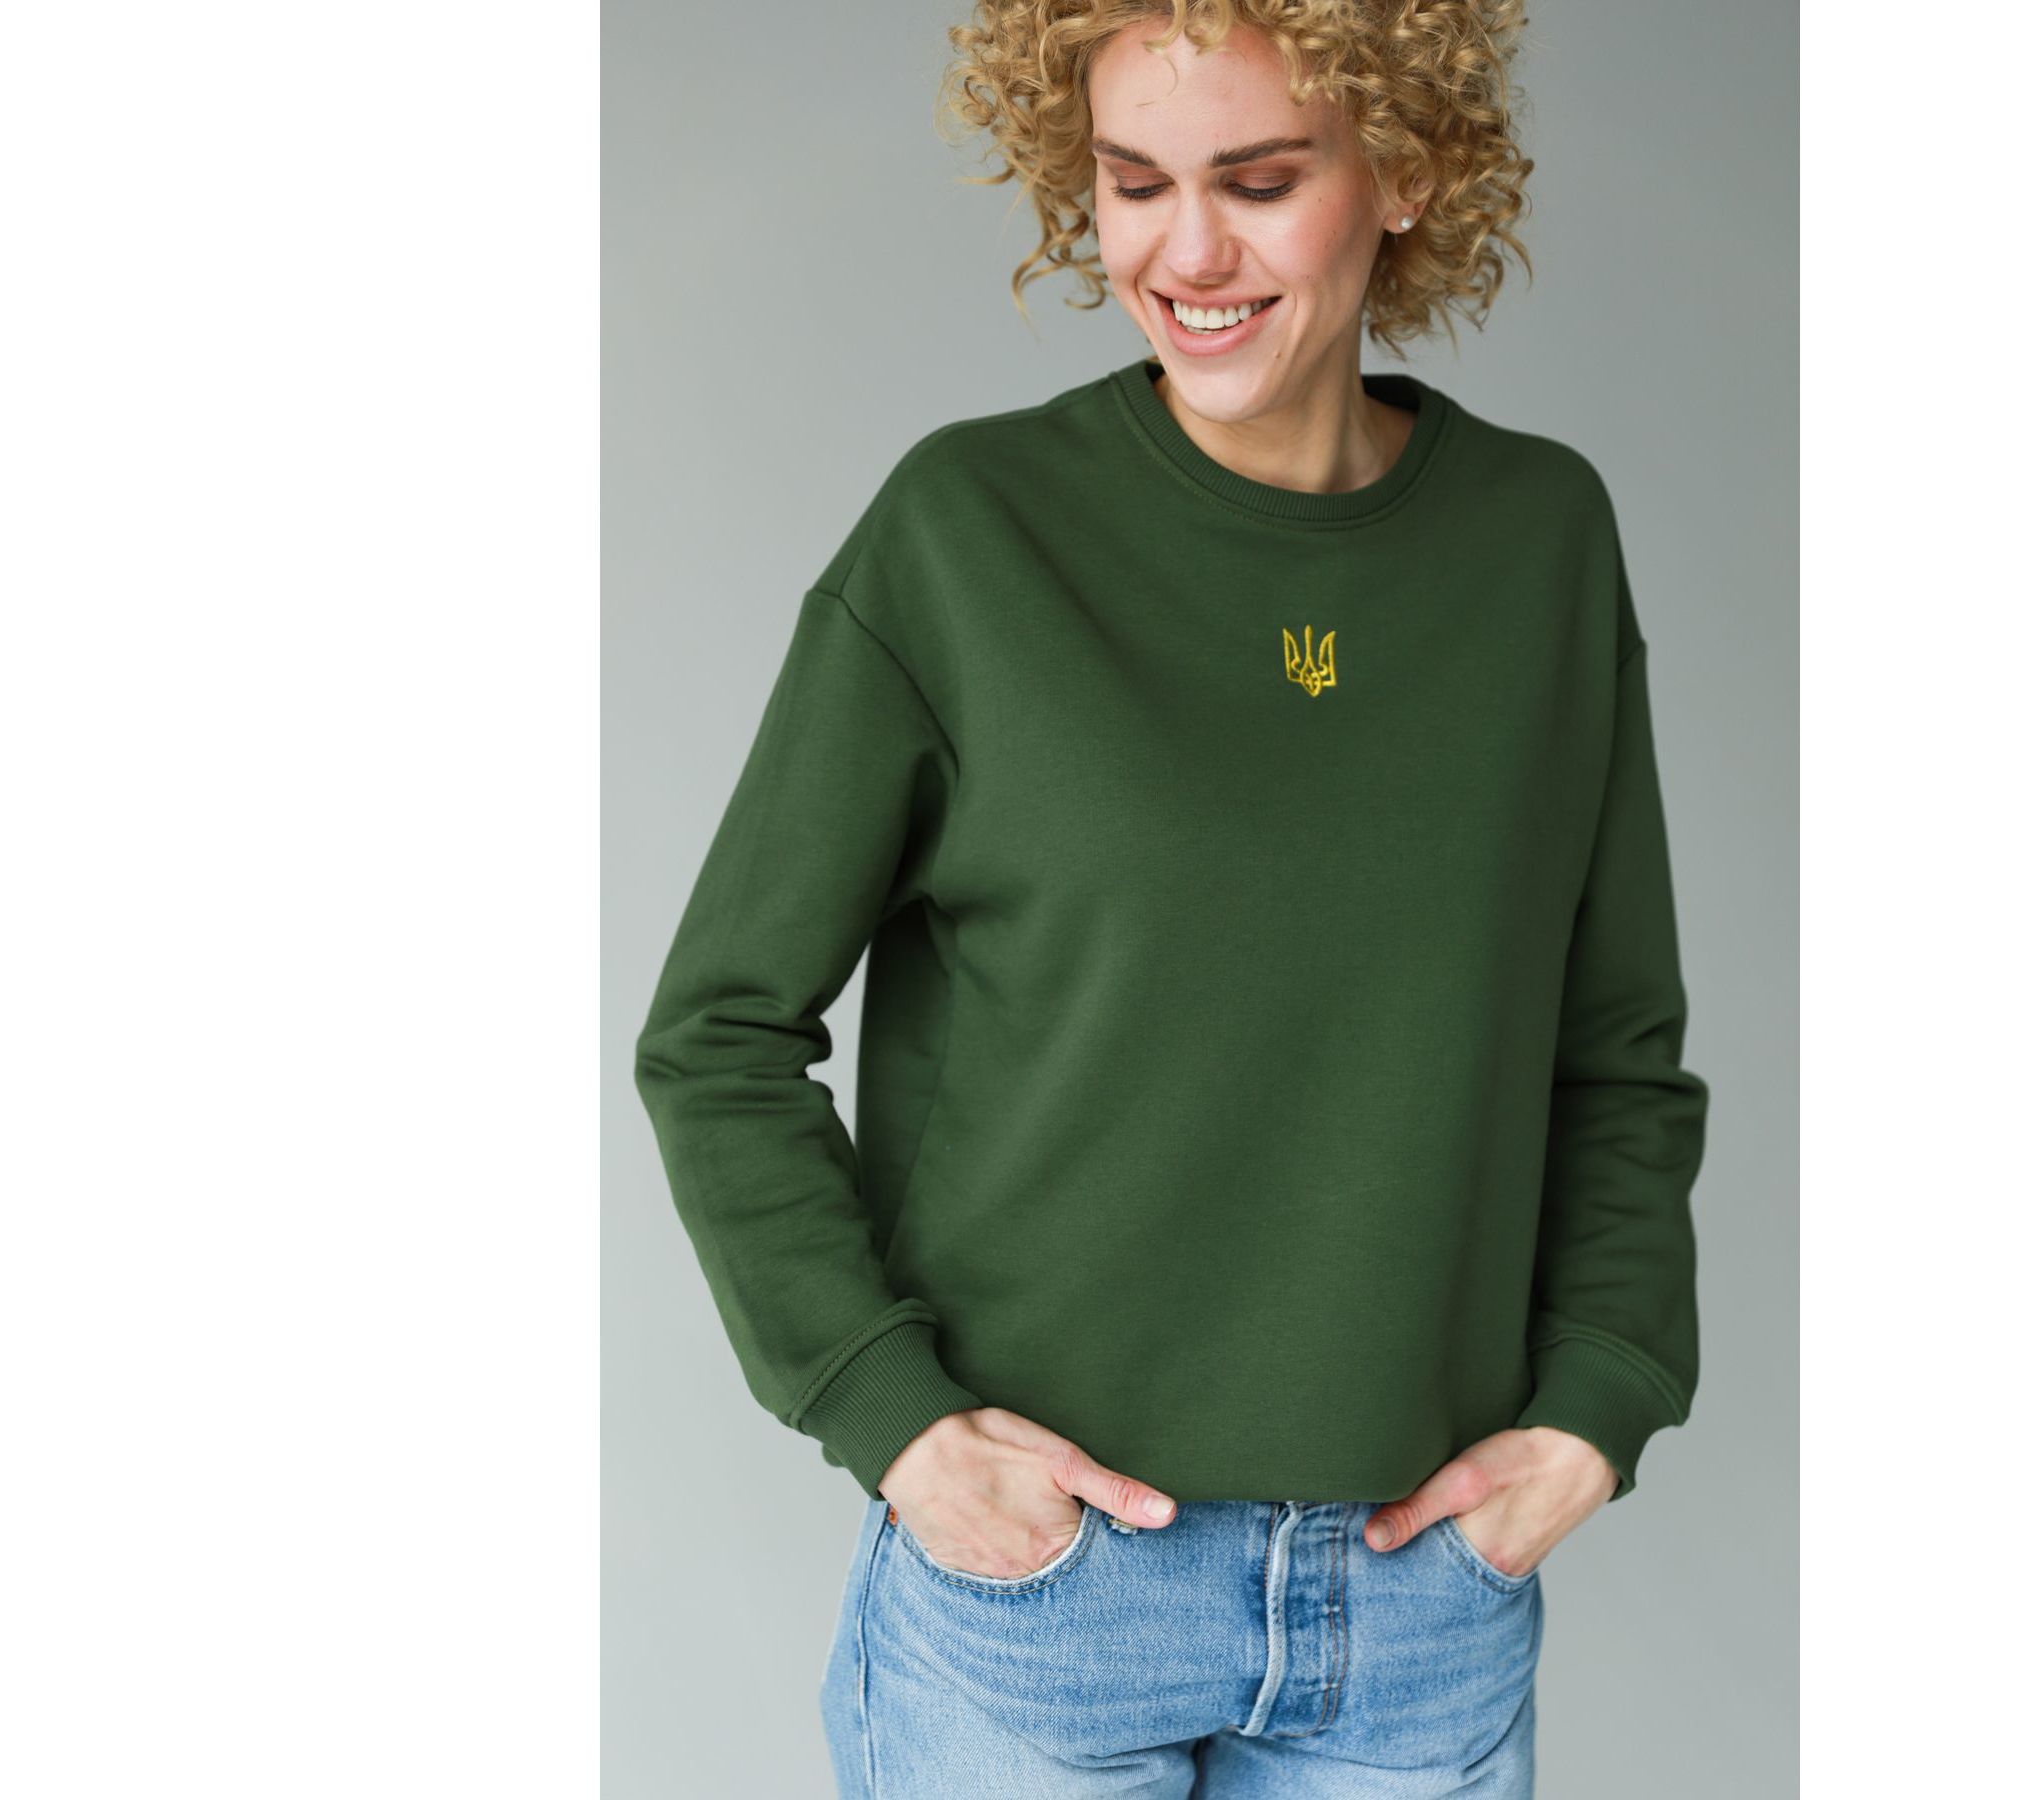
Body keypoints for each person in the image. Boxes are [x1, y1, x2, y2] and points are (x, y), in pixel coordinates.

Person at [632, 2, 1709, 1792]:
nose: (1186, 253)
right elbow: (717, 1033)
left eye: (1260, 184)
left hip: (1418, 1611)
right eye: (1136, 184)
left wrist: (1604, 1394)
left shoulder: (1540, 544)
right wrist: (893, 1420)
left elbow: (1615, 1051)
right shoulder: (971, 532)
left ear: (1405, 173)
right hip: (1045, 1597)